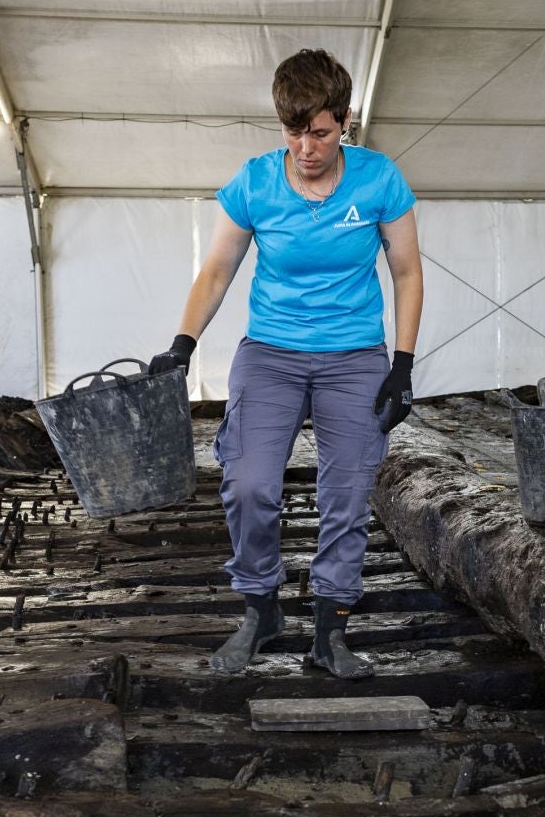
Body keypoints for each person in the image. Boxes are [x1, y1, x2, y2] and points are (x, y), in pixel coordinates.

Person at [149, 49, 424, 679]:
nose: (306, 147)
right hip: (270, 354)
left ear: (344, 121)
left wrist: (401, 364)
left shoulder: (379, 180)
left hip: (355, 357)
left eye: (320, 132)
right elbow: (217, 269)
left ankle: (330, 631)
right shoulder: (255, 182)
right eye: (294, 132)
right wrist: (182, 344)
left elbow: (407, 272)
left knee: (347, 493)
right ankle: (260, 610)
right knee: (248, 483)